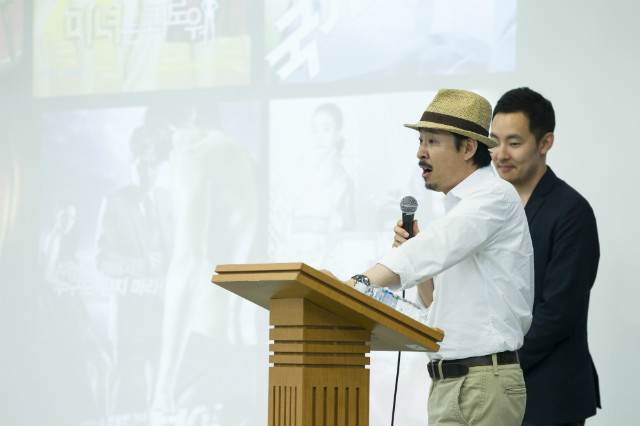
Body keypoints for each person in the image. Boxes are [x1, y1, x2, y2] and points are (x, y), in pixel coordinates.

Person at [335, 89, 534, 425]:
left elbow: (434, 246)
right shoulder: (458, 210)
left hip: (484, 381)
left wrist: (359, 283)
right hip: (447, 382)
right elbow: (435, 303)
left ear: (468, 148)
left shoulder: (494, 196)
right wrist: (415, 256)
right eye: (420, 141)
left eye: (432, 141)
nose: (420, 153)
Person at [490, 87, 600, 426]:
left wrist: (496, 369)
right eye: (494, 141)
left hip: (549, 394)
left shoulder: (571, 211)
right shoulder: (489, 208)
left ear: (545, 143)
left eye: (514, 143)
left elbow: (558, 313)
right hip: (492, 392)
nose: (500, 154)